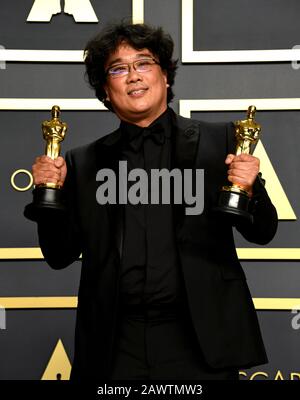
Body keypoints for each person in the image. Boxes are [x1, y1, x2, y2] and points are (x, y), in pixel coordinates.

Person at [29, 21, 278, 380]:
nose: (133, 76)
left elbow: (264, 232)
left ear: (165, 76)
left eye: (143, 63)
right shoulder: (81, 163)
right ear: (105, 90)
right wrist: (47, 195)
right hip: (115, 345)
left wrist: (251, 189)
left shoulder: (220, 142)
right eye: (118, 68)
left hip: (200, 342)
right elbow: (59, 254)